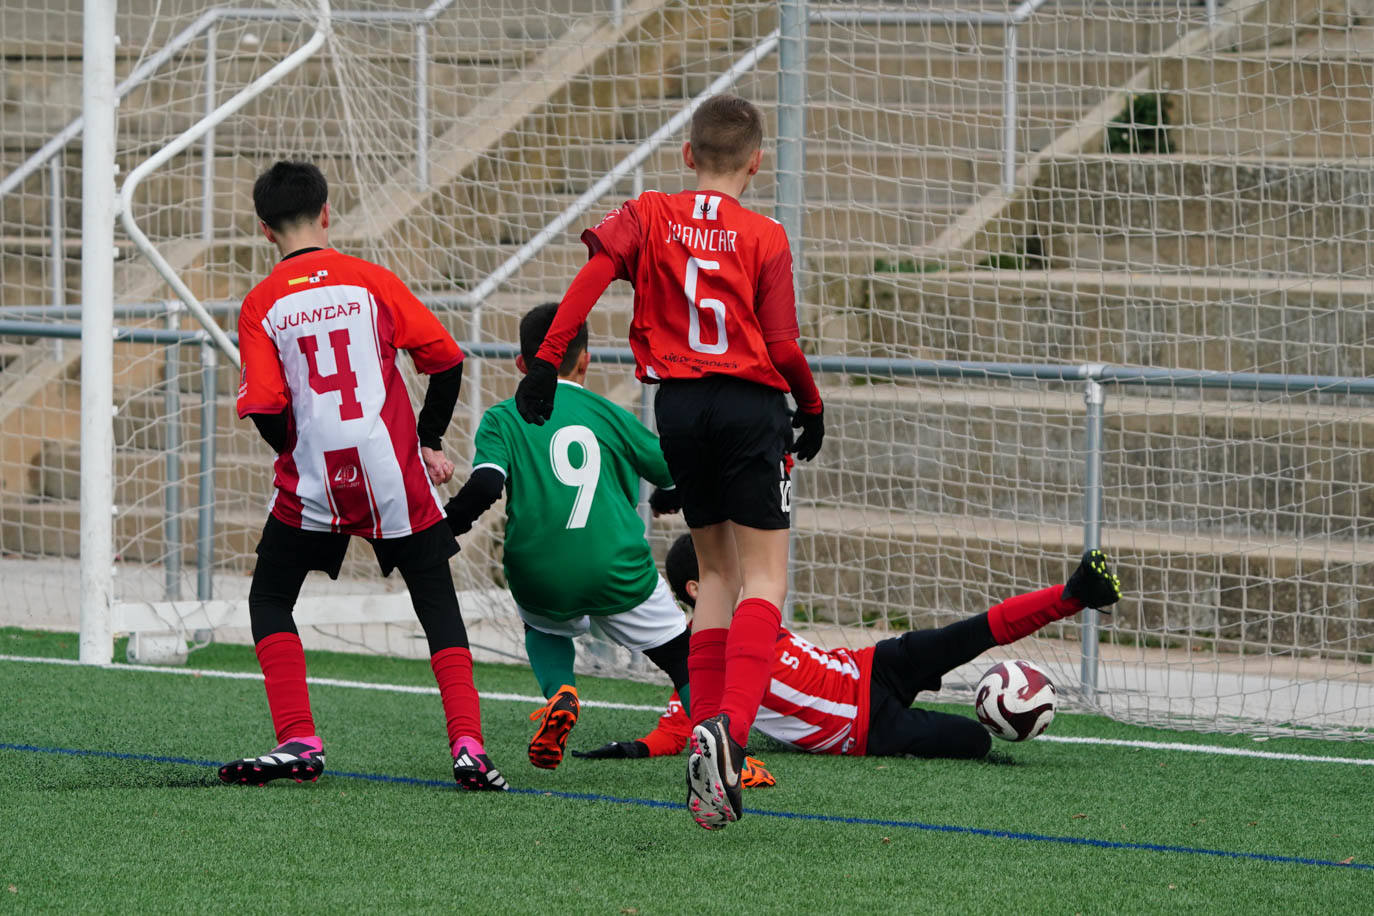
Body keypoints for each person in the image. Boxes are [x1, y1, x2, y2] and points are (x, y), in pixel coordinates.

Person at [512, 94, 824, 829]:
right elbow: (781, 349)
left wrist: (547, 358)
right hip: (749, 407)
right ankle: (730, 735)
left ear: (687, 156)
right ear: (757, 162)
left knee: (713, 574)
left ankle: (705, 731)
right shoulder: (766, 235)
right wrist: (810, 405)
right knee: (765, 577)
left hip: (678, 407)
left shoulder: (650, 212)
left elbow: (592, 274)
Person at [220, 160, 506, 791]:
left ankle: (298, 737)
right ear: (327, 213)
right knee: (437, 607)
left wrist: (294, 452)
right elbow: (447, 362)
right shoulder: (371, 281)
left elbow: (265, 406)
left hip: (314, 479)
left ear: (265, 230)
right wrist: (427, 440)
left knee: (270, 599)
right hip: (393, 475)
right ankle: (469, 747)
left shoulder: (262, 303)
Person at [574, 534, 1122, 763]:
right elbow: (687, 720)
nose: (740, 571)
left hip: (868, 668)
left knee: (964, 635)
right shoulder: (703, 653)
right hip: (859, 729)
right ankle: (988, 726)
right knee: (973, 741)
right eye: (725, 567)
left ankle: (1075, 595)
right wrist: (632, 750)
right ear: (697, 589)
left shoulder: (751, 611)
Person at [442, 303, 692, 771]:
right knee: (682, 657)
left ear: (521, 364)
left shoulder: (502, 417)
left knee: (542, 625)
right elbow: (675, 468)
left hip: (538, 571)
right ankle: (724, 752)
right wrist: (666, 497)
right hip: (613, 565)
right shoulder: (608, 414)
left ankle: (561, 691)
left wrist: (445, 526)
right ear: (586, 359)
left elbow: (486, 486)